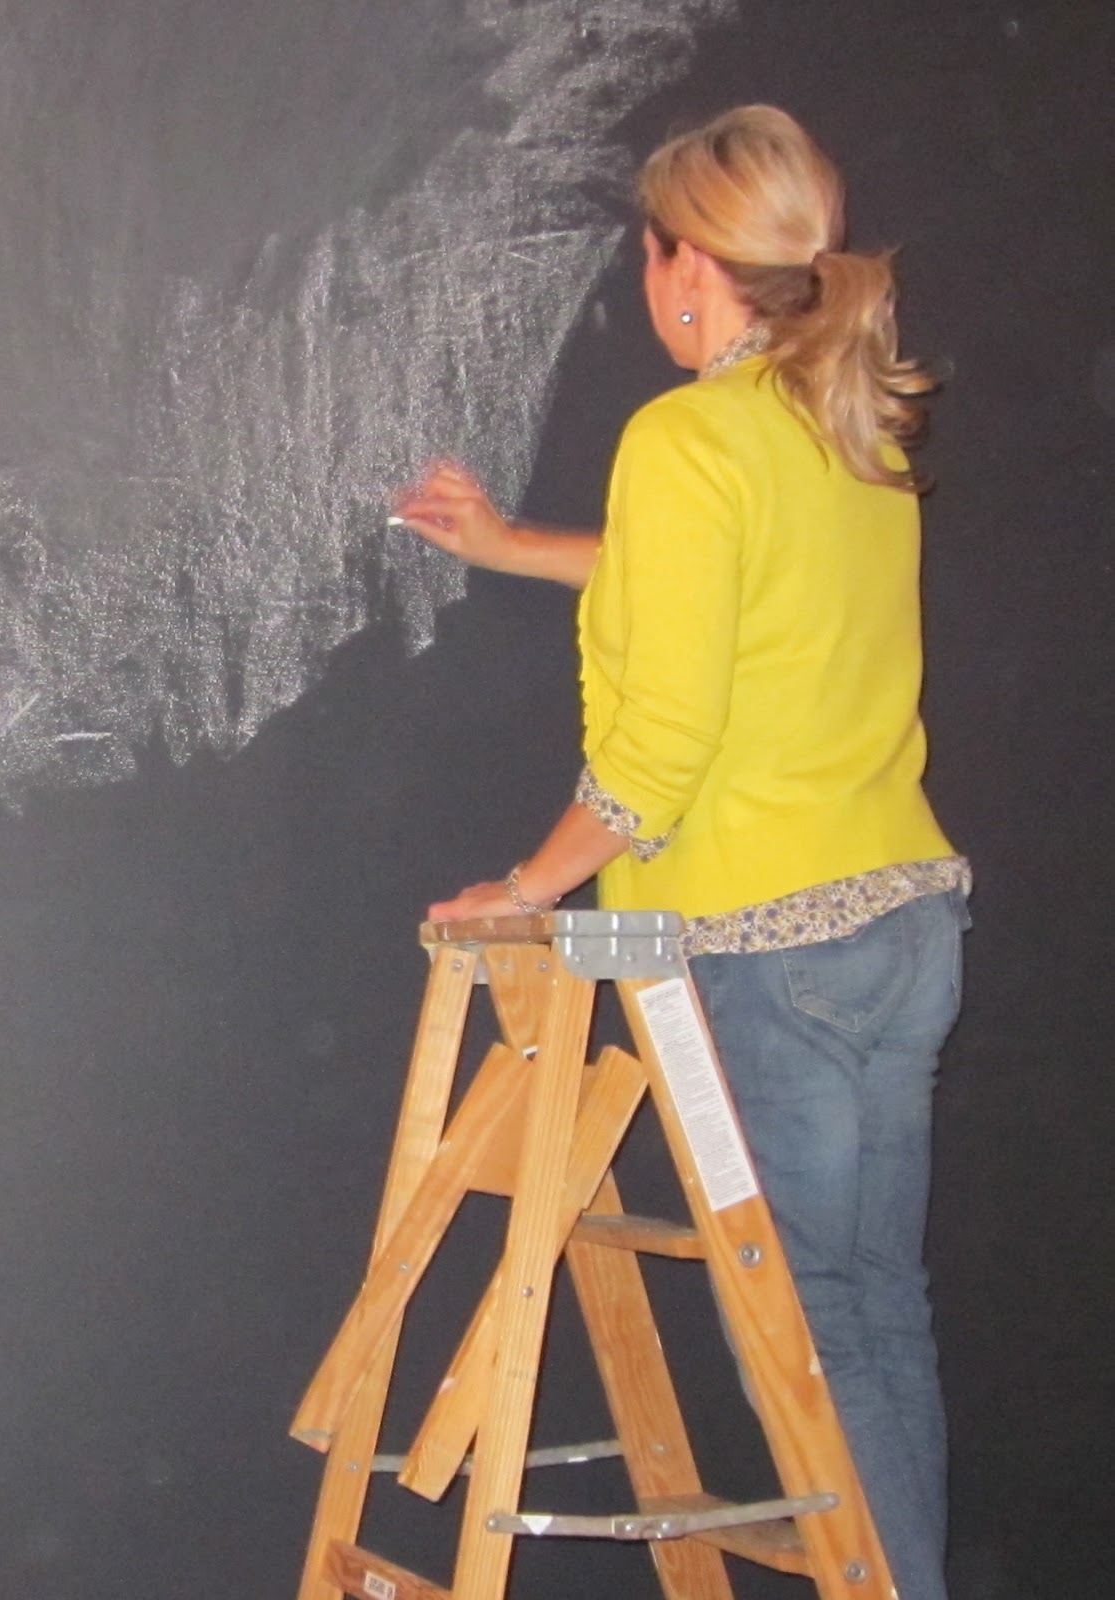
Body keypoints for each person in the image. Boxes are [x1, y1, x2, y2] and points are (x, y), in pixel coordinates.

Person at [394, 105, 969, 1600]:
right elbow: (716, 583)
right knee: (874, 1315)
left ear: (686, 266)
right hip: (903, 926)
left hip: (769, 942)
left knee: (813, 1329)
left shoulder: (685, 435)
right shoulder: (843, 417)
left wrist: (523, 890)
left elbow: (657, 755)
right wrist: (513, 544)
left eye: (647, 257)